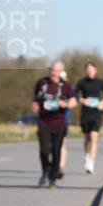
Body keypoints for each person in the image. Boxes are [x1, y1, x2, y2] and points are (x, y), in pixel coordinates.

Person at [32, 60, 78, 188]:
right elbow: (35, 99)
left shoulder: (65, 85)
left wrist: (67, 104)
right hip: (44, 122)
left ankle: (52, 178)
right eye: (53, 70)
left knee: (56, 151)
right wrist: (35, 105)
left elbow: (74, 101)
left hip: (59, 123)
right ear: (50, 70)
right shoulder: (42, 83)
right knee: (44, 150)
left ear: (60, 72)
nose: (54, 73)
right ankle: (45, 172)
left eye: (57, 71)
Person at [76, 63, 103, 174]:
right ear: (86, 71)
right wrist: (83, 100)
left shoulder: (101, 82)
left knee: (94, 137)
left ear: (96, 70)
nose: (90, 71)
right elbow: (75, 95)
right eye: (88, 70)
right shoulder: (81, 82)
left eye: (92, 69)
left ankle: (91, 163)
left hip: (96, 112)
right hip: (86, 113)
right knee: (87, 138)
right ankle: (87, 156)